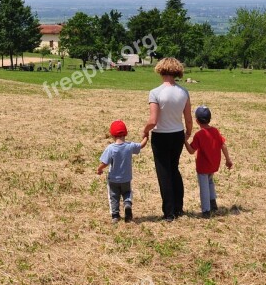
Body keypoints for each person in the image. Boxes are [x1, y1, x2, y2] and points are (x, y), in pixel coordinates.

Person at [143, 58, 193, 222]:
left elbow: (153, 121)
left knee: (164, 173)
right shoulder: (184, 92)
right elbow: (188, 119)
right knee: (174, 170)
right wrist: (188, 134)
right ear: (177, 71)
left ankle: (169, 212)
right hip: (177, 134)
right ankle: (178, 208)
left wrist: (144, 131)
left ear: (160, 70)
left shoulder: (155, 92)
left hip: (161, 136)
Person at [184, 105, 233, 218]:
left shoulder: (199, 135)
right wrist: (228, 160)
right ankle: (213, 202)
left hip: (203, 167)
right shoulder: (215, 131)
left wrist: (185, 141)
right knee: (210, 182)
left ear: (196, 121)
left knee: (204, 187)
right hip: (214, 164)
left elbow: (191, 151)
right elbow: (223, 145)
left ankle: (206, 210)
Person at [97, 120, 148, 223]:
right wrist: (146, 136)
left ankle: (115, 215)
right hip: (126, 178)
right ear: (126, 133)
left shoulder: (110, 148)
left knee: (114, 196)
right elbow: (141, 145)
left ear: (112, 135)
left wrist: (99, 169)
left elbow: (105, 162)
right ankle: (127, 204)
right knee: (127, 192)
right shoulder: (130, 146)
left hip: (113, 180)